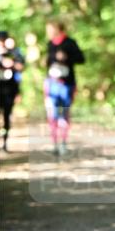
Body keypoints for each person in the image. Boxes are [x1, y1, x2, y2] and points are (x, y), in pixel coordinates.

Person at [44, 20, 85, 156]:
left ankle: (63, 143)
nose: (48, 32)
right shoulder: (50, 44)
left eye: (50, 29)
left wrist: (67, 58)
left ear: (57, 29)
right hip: (52, 83)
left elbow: (81, 59)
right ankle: (55, 143)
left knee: (64, 113)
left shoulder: (70, 43)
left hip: (67, 84)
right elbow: (48, 62)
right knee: (53, 114)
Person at [0, 31, 25, 151]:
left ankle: (5, 142)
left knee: (7, 114)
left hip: (9, 88)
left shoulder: (14, 52)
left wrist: (12, 63)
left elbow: (21, 67)